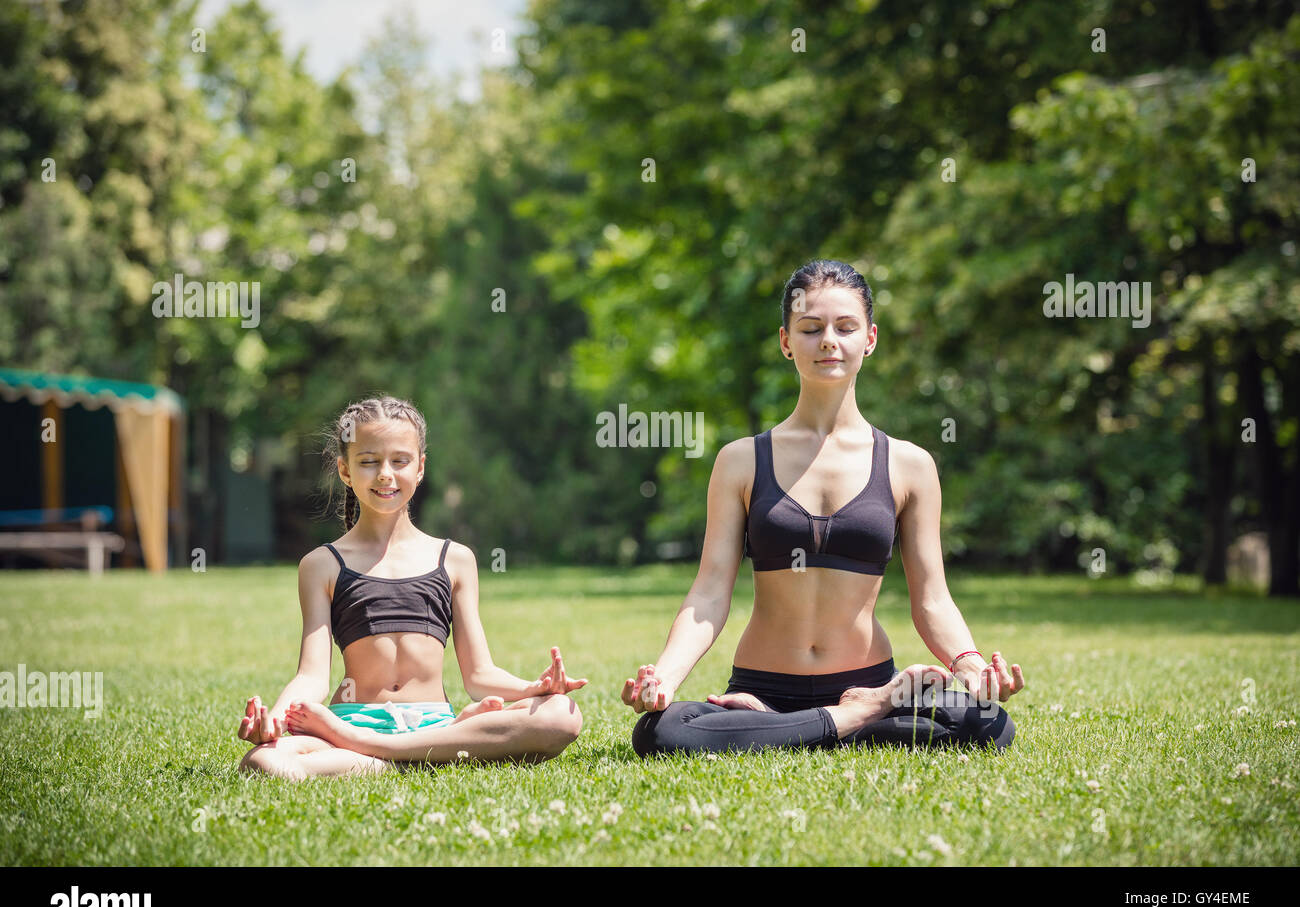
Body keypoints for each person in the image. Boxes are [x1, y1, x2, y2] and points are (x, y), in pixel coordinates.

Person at [624, 259, 1024, 756]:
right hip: (763, 690)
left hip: (868, 677)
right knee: (662, 732)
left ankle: (823, 720)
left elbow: (932, 599)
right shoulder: (741, 461)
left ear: (870, 338)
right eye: (810, 329)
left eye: (845, 327)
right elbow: (708, 593)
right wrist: (664, 675)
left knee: (990, 726)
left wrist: (968, 664)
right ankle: (856, 718)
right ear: (786, 341)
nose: (828, 341)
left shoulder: (909, 464)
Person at [238, 395, 585, 779]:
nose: (385, 474)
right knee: (263, 762)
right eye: (369, 462)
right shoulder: (321, 565)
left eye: (399, 461)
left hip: (424, 724)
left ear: (420, 468)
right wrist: (276, 719)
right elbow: (312, 676)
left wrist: (535, 687)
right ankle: (423, 756)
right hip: (356, 721)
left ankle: (380, 758)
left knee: (561, 715)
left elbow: (479, 675)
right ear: (345, 470)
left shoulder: (454, 559)